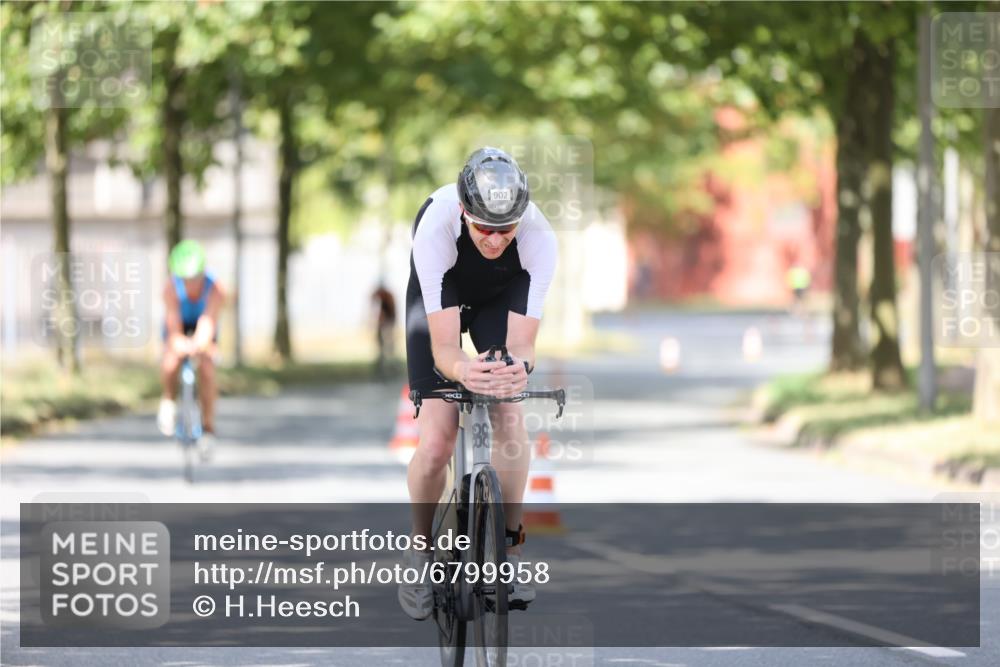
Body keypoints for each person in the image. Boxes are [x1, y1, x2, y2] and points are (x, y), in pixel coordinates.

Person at [398, 147, 558, 620]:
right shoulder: (436, 225)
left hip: (500, 299)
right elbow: (446, 351)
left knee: (511, 411)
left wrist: (516, 369)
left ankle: (509, 553)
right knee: (437, 440)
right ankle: (420, 552)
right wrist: (463, 369)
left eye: (505, 229)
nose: (493, 239)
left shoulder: (539, 237)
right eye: (483, 228)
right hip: (440, 295)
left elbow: (525, 346)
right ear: (464, 212)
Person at [157, 240, 224, 459]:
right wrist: (177, 342)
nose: (190, 284)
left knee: (207, 367)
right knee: (170, 360)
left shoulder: (215, 289)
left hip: (203, 324)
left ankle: (208, 428)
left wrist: (199, 344)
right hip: (179, 322)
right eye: (185, 279)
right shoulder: (170, 288)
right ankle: (168, 400)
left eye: (194, 278)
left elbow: (208, 322)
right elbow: (173, 323)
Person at [371, 282, 397, 378]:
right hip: (382, 324)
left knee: (389, 346)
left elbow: (392, 313)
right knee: (381, 346)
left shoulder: (388, 297)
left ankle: (391, 366)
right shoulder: (378, 297)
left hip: (388, 323)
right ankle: (381, 366)